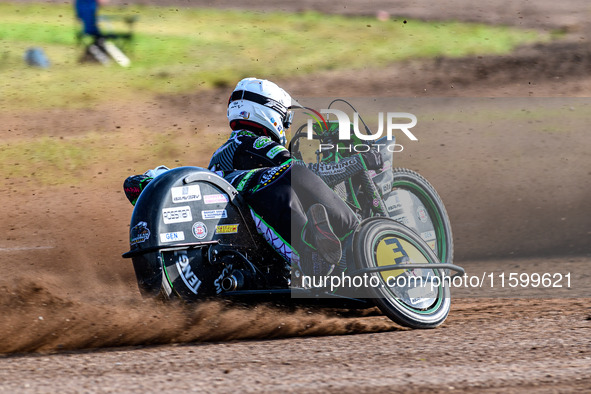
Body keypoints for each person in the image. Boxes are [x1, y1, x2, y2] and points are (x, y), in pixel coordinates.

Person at [124, 78, 382, 276]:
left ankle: (316, 251)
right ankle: (347, 237)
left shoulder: (222, 153)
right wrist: (359, 161)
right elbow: (310, 175)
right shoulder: (253, 142)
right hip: (259, 208)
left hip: (243, 234)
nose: (288, 126)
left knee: (288, 181)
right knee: (296, 172)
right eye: (287, 118)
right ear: (270, 113)